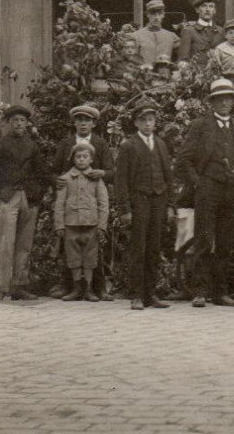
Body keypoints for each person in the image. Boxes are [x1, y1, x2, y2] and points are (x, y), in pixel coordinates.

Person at [178, 78, 234, 308]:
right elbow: (185, 159)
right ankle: (200, 291)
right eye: (219, 99)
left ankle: (220, 293)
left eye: (228, 98)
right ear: (212, 102)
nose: (224, 103)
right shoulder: (200, 126)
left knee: (226, 242)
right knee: (204, 239)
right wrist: (198, 183)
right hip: (208, 188)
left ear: (233, 101)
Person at [50, 103, 115, 301]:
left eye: (87, 120)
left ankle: (98, 287)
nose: (83, 124)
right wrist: (56, 180)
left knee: (94, 250)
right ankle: (71, 286)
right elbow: (54, 170)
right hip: (70, 203)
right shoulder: (66, 143)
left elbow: (112, 172)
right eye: (79, 120)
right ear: (74, 123)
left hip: (92, 203)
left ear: (94, 123)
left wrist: (102, 173)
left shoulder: (100, 144)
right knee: (71, 250)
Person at [115, 100, 174, 311]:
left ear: (155, 122)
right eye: (143, 120)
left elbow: (168, 176)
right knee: (138, 248)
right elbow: (121, 181)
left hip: (158, 200)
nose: (148, 124)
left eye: (151, 120)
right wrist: (125, 210)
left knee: (154, 248)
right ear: (136, 123)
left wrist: (169, 205)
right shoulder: (128, 146)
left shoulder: (160, 144)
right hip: (139, 201)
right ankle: (136, 295)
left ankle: (151, 294)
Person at [0, 105, 48, 302]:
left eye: (22, 121)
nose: (19, 124)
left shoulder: (32, 146)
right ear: (8, 123)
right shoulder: (0, 145)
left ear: (27, 123)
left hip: (28, 198)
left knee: (24, 244)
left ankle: (19, 285)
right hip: (8, 197)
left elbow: (42, 173)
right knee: (5, 242)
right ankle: (0, 287)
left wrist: (37, 195)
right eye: (15, 121)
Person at [53, 142, 109, 302]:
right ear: (73, 159)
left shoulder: (97, 179)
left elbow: (103, 203)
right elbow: (59, 203)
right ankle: (77, 288)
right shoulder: (65, 179)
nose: (81, 160)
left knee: (90, 257)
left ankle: (89, 288)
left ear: (91, 159)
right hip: (71, 224)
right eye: (78, 157)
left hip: (91, 224)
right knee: (73, 256)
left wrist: (102, 225)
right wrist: (59, 225)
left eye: (85, 157)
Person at [177, 0, 225, 64]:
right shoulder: (189, 31)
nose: (207, 9)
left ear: (214, 11)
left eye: (211, 6)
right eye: (204, 6)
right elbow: (183, 60)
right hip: (196, 73)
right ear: (197, 10)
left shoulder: (221, 31)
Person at [134, 0, 180, 65]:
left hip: (165, 74)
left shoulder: (172, 37)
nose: (156, 17)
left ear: (163, 15)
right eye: (153, 13)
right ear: (147, 14)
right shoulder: (137, 36)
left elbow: (183, 56)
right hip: (144, 74)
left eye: (159, 13)